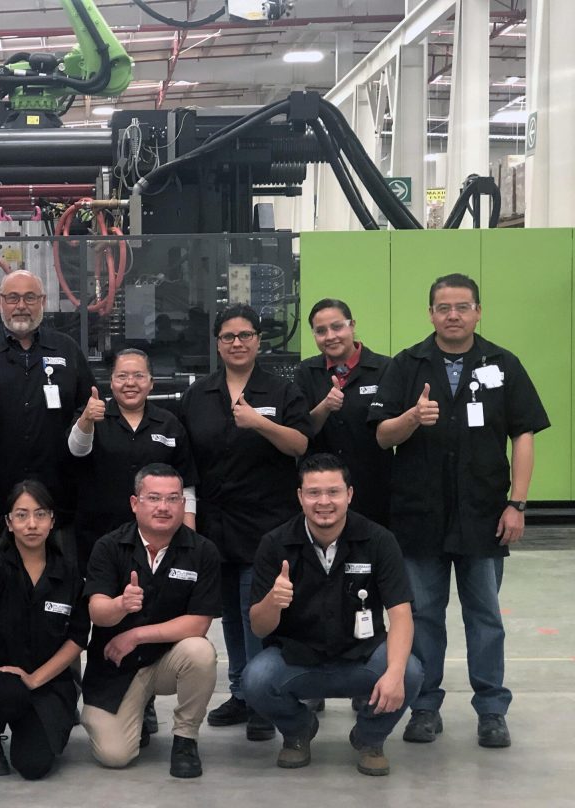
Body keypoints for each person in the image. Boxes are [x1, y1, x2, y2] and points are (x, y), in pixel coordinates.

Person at [369, 273, 549, 749]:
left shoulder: (502, 364)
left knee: (485, 616)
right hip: (419, 516)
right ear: (430, 313)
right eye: (443, 307)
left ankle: (491, 709)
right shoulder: (408, 365)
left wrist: (518, 503)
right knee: (424, 615)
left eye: (462, 306)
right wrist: (409, 419)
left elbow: (524, 434)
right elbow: (382, 435)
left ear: (478, 311)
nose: (453, 315)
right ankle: (424, 706)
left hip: (484, 515)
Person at [242, 453, 423, 776]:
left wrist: (393, 673)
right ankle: (298, 731)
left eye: (333, 492)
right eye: (313, 493)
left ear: (349, 494)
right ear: (300, 496)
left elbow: (401, 613)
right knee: (255, 680)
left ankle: (370, 738)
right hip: (298, 660)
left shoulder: (379, 541)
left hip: (362, 658)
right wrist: (273, 600)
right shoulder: (275, 544)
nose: (323, 502)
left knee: (409, 671)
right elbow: (258, 627)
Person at [179, 304, 310, 738]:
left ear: (259, 340)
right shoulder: (199, 394)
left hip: (267, 525)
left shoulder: (280, 390)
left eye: (245, 335)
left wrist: (259, 422)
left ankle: (263, 699)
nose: (237, 343)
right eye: (228, 337)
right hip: (216, 524)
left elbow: (299, 444)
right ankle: (241, 690)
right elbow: (188, 461)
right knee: (229, 617)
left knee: (256, 612)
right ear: (217, 344)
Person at [81, 463, 221, 779]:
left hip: (168, 662)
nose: (163, 507)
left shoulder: (203, 551)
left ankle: (185, 738)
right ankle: (138, 710)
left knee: (200, 652)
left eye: (172, 499)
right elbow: (97, 611)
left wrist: (137, 634)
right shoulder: (108, 546)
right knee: (114, 756)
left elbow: (199, 623)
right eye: (153, 498)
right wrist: (119, 605)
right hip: (116, 667)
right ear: (135, 503)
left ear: (183, 505)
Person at [0, 270, 94, 559]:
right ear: (0, 302)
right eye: (13, 297)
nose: (21, 305)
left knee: (57, 592)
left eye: (30, 297)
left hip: (55, 498)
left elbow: (86, 405)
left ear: (42, 301)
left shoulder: (66, 349)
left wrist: (85, 423)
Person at [0, 480, 89, 780]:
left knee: (33, 766)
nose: (32, 524)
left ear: (52, 520)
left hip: (47, 681)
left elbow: (78, 638)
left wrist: (35, 678)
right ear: (9, 522)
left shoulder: (68, 574)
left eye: (40, 514)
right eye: (21, 515)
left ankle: (30, 722)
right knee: (8, 691)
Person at [68, 348, 198, 575]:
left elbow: (185, 484)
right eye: (122, 376)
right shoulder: (92, 416)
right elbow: (76, 450)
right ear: (111, 381)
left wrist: (190, 538)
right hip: (98, 536)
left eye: (138, 376)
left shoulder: (169, 424)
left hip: (159, 540)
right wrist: (86, 421)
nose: (130, 383)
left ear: (151, 383)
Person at [294, 298, 392, 525]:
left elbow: (389, 430)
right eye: (321, 331)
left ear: (352, 325)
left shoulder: (384, 368)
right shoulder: (306, 372)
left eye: (337, 327)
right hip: (321, 494)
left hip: (373, 488)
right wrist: (325, 406)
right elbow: (300, 432)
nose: (330, 336)